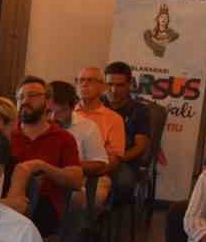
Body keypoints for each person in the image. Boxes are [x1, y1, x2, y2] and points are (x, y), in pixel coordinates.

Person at [2, 76, 83, 238]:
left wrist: (43, 166)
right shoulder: (8, 135)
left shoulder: (63, 138)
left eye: (32, 96)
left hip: (45, 205)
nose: (25, 101)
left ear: (48, 102)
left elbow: (76, 181)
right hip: (6, 200)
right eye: (20, 97)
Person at [48, 80, 110, 206]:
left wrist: (67, 165)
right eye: (49, 111)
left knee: (76, 200)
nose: (53, 117)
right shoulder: (38, 124)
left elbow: (99, 163)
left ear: (73, 107)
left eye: (61, 111)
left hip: (85, 180)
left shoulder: (88, 126)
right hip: (48, 179)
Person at [103, 61, 151, 200]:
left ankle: (113, 219)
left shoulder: (139, 110)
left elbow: (140, 146)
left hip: (123, 162)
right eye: (109, 84)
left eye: (120, 85)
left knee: (123, 184)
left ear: (130, 85)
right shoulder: (96, 104)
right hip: (95, 159)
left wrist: (115, 160)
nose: (113, 90)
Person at [73, 65, 127, 180]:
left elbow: (114, 159)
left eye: (90, 80)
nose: (84, 84)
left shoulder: (114, 119)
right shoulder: (66, 113)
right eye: (81, 80)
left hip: (98, 175)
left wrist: (93, 173)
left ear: (103, 87)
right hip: (65, 171)